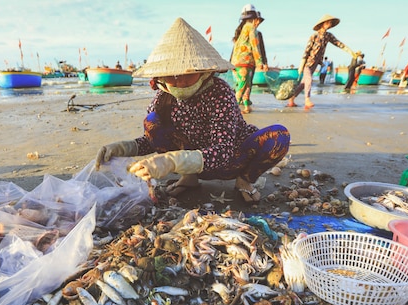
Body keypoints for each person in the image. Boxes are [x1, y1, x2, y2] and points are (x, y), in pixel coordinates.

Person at [95, 18, 290, 204]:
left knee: (279, 136)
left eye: (187, 74)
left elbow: (222, 151)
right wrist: (122, 148)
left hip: (230, 160)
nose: (179, 81)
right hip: (188, 163)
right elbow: (153, 140)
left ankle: (245, 181)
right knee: (152, 120)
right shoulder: (164, 96)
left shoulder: (220, 93)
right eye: (171, 75)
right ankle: (189, 179)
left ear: (204, 71)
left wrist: (170, 162)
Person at [287, 14, 357, 109]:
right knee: (309, 80)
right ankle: (307, 100)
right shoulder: (314, 36)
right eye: (328, 22)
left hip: (316, 63)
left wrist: (350, 52)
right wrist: (301, 66)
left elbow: (339, 44)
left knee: (304, 83)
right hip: (308, 63)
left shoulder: (328, 36)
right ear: (323, 24)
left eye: (331, 23)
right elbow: (306, 52)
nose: (330, 24)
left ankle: (291, 99)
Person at [230, 4, 268, 114]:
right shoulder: (251, 28)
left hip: (237, 62)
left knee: (246, 85)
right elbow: (255, 45)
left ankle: (247, 107)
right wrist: (260, 61)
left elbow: (235, 48)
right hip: (245, 62)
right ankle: (233, 110)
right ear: (255, 18)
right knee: (242, 86)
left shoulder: (241, 29)